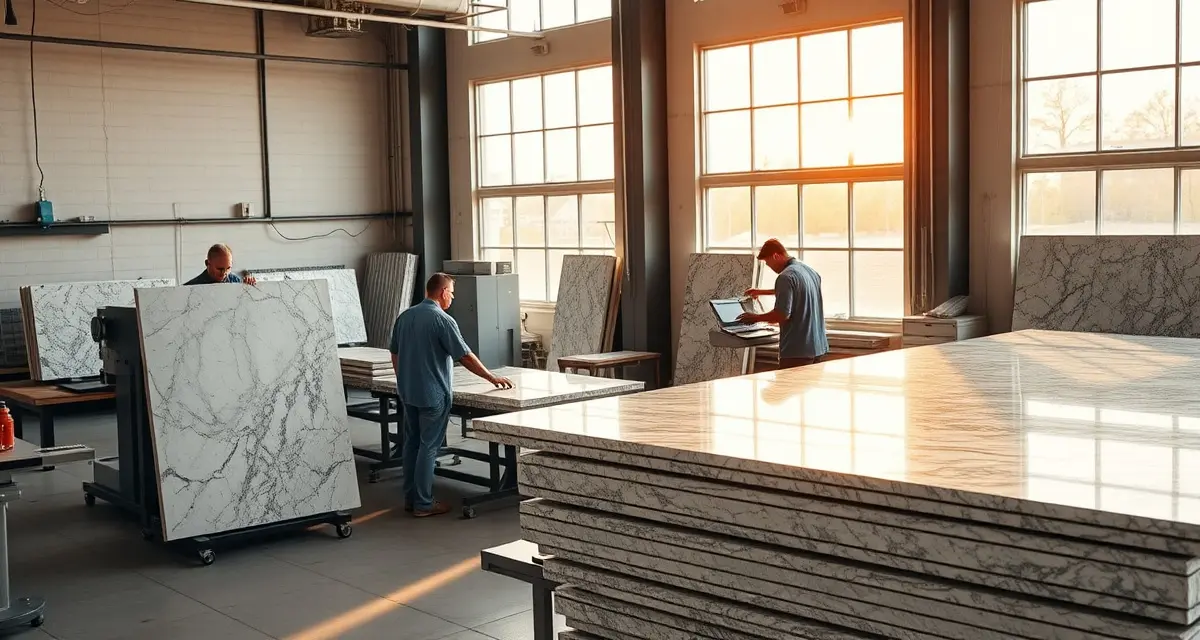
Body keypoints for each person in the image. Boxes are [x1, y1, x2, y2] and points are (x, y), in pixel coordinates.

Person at [389, 272, 514, 517]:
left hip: (408, 391)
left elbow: (394, 353)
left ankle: (411, 498)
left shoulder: (405, 317)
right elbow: (464, 356)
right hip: (432, 394)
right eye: (452, 293)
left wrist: (403, 379)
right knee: (429, 446)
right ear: (443, 292)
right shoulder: (442, 320)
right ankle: (424, 504)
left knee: (412, 443)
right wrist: (492, 377)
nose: (453, 298)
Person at [739, 238, 829, 369]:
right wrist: (761, 292)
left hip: (797, 350)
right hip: (818, 346)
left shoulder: (785, 277)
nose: (769, 267)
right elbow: (797, 291)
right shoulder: (810, 272)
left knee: (788, 389)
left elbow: (781, 315)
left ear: (775, 256)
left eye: (768, 263)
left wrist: (755, 318)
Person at [184, 244, 257, 286]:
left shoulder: (236, 282)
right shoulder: (191, 287)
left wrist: (248, 287)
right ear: (207, 264)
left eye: (228, 268)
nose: (224, 273)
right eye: (220, 269)